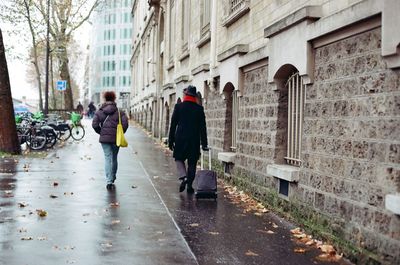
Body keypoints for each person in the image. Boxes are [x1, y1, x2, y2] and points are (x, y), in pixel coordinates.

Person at [168, 85, 208, 193]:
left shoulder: (179, 107)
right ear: (195, 96)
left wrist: (170, 140)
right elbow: (203, 128)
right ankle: (190, 185)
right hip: (194, 140)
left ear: (186, 95)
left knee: (178, 158)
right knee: (192, 163)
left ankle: (183, 177)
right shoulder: (199, 109)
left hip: (180, 138)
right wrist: (204, 144)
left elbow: (173, 125)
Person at [92, 91, 129, 190]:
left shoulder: (100, 111)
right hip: (116, 139)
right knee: (114, 157)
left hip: (104, 139)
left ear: (105, 99)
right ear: (114, 99)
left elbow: (94, 124)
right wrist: (120, 133)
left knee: (107, 158)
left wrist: (101, 132)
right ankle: (112, 177)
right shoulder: (119, 112)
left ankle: (109, 180)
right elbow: (125, 124)